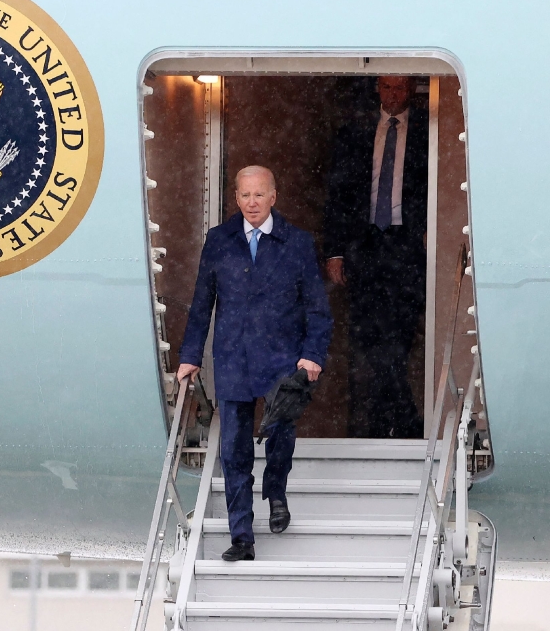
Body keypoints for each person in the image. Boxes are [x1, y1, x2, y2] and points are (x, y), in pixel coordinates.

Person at [177, 166, 333, 562]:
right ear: (236, 197)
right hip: (233, 358)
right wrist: (189, 356)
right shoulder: (219, 240)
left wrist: (312, 355)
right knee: (233, 451)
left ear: (273, 197)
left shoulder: (296, 242)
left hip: (282, 357)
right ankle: (242, 536)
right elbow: (201, 304)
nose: (251, 203)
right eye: (245, 195)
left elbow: (318, 307)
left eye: (259, 195)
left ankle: (276, 491)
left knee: (281, 437)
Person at [324, 75, 428, 439]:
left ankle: (391, 423)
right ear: (378, 90)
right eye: (387, 87)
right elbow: (338, 194)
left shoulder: (429, 131)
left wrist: (432, 231)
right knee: (369, 340)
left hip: (407, 246)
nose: (393, 94)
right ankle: (401, 421)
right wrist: (335, 251)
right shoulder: (357, 130)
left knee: (398, 339)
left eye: (399, 87)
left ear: (411, 89)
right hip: (364, 245)